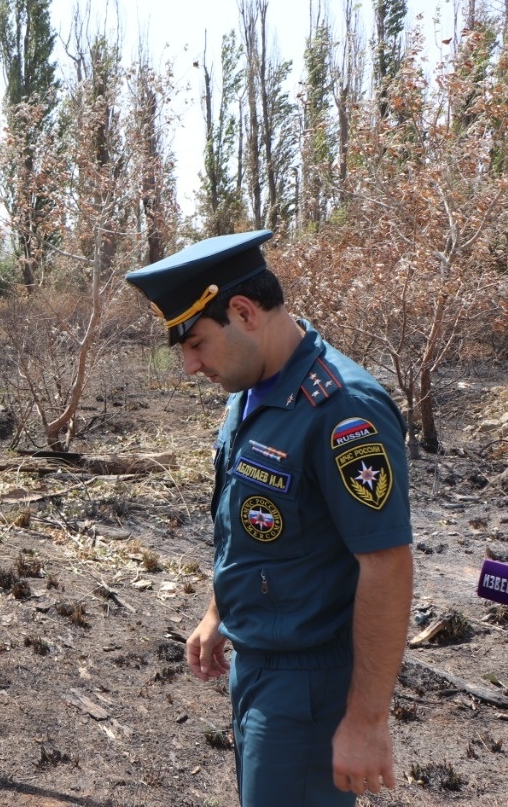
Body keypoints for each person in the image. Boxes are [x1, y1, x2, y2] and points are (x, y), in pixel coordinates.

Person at [123, 230, 413, 805]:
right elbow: (248, 525)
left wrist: (365, 719)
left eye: (197, 344)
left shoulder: (343, 411)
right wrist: (217, 612)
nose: (189, 365)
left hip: (309, 688)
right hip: (257, 668)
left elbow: (387, 564)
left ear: (244, 312)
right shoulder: (250, 392)